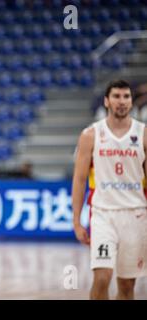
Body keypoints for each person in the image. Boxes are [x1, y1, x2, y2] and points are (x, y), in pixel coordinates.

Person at [72, 79, 147, 300]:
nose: (121, 101)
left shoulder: (143, 134)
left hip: (136, 214)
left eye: (126, 97)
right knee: (102, 277)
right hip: (103, 214)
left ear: (132, 101)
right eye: (116, 96)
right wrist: (76, 220)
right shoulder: (90, 135)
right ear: (106, 101)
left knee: (126, 286)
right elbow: (79, 179)